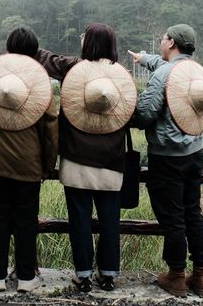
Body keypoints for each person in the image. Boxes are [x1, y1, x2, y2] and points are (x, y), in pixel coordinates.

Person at [35, 22, 134, 292]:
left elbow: (46, 59)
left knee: (79, 220)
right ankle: (109, 274)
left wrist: (27, 45)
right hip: (112, 161)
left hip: (77, 159)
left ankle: (83, 276)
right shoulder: (121, 75)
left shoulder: (73, 67)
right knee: (110, 220)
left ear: (88, 42)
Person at [0, 27, 58, 293]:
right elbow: (51, 128)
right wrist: (47, 166)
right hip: (28, 164)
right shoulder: (41, 85)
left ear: (7, 47)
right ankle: (27, 278)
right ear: (35, 51)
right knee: (27, 219)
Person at [129, 24, 203, 297]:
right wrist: (144, 59)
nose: (161, 41)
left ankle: (176, 275)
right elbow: (166, 67)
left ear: (171, 42)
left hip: (167, 158)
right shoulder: (196, 71)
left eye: (164, 37)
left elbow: (146, 113)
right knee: (193, 211)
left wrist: (125, 113)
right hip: (195, 153)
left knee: (173, 215)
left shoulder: (164, 74)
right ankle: (201, 275)